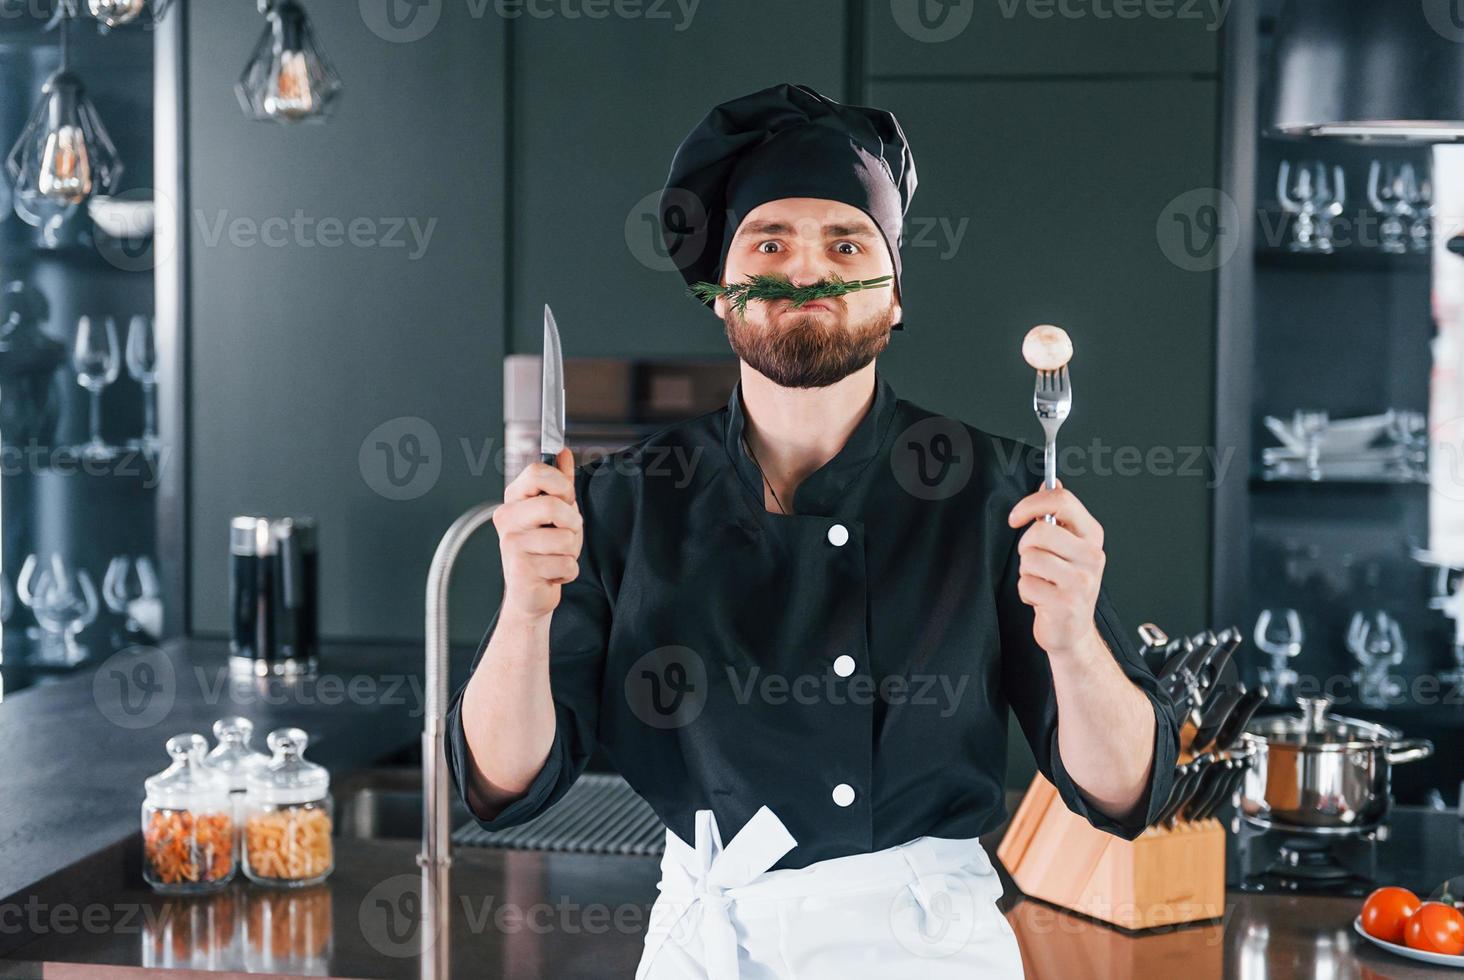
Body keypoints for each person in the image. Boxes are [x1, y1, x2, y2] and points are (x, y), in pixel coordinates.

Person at [447, 82, 1179, 978]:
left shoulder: (1001, 490)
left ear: (895, 294)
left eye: (846, 242)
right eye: (768, 242)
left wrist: (1071, 640)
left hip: (923, 953)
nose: (807, 271)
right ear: (722, 293)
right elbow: (503, 781)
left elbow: (1127, 791)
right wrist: (523, 611)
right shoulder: (622, 502)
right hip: (711, 947)